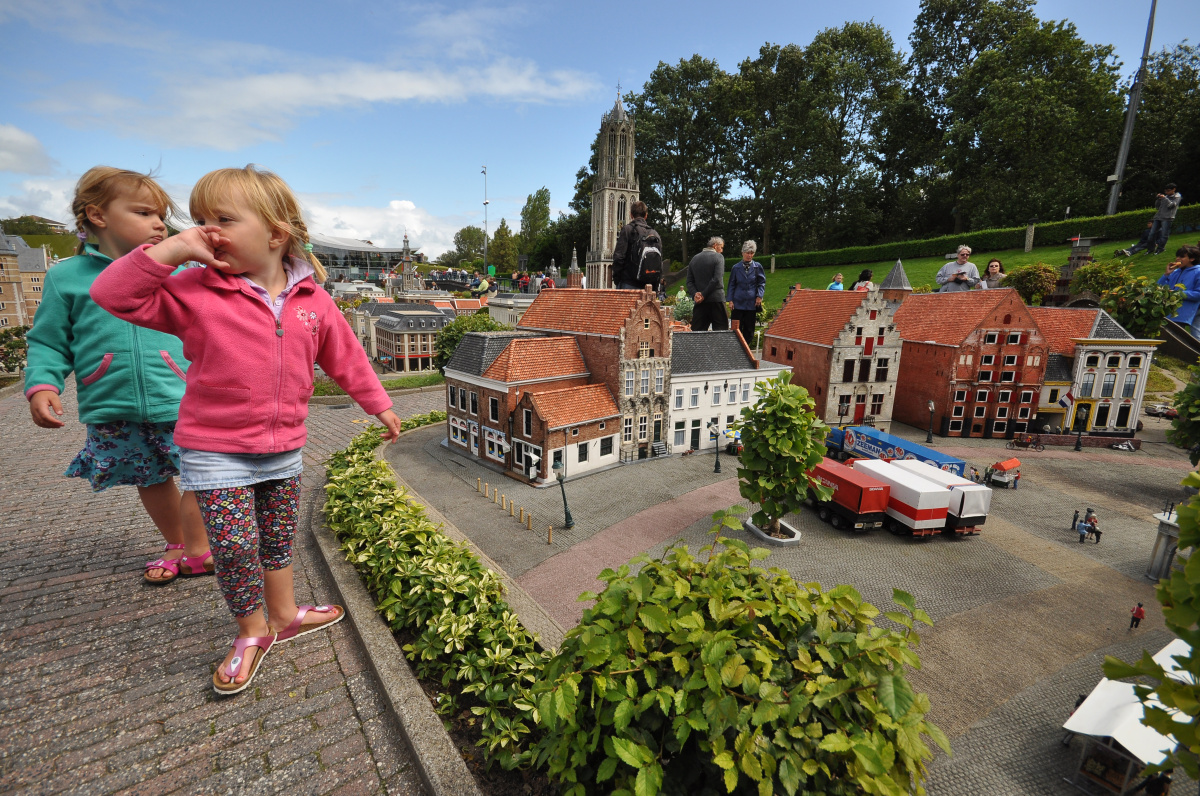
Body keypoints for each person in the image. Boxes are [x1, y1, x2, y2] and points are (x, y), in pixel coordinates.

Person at [92, 165, 403, 695]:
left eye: (222, 219)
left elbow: (346, 356)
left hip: (284, 448)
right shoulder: (194, 289)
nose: (205, 230)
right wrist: (172, 250)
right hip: (216, 448)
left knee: (278, 540)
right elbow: (113, 294)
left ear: (275, 233)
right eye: (196, 220)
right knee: (235, 548)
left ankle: (284, 615)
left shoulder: (313, 301)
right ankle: (251, 630)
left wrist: (378, 403)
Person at [25, 166, 212, 586]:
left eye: (161, 214)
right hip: (111, 400)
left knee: (205, 470)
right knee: (150, 475)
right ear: (97, 215)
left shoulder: (181, 271)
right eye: (145, 212)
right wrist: (41, 384)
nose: (159, 223)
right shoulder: (65, 276)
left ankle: (199, 545)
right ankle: (178, 543)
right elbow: (49, 340)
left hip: (183, 393)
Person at [611, 200, 663, 291]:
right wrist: (655, 286)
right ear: (646, 215)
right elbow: (659, 262)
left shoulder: (628, 230)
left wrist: (618, 280)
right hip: (649, 286)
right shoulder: (655, 234)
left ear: (631, 215)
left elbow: (618, 258)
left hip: (629, 283)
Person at [1118, 184, 1182, 256]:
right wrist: (1158, 199)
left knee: (1164, 235)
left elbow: (1171, 205)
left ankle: (1160, 249)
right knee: (1151, 234)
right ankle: (1150, 249)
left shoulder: (1177, 196)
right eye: (1165, 191)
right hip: (1158, 217)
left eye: (1168, 190)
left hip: (1167, 218)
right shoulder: (1165, 197)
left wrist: (1164, 198)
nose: (1166, 192)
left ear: (1174, 189)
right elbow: (1157, 207)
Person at [1155, 246, 1200, 340]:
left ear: (1192, 259)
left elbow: (1198, 294)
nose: (1177, 259)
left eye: (1182, 256)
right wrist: (1166, 274)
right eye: (1177, 256)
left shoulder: (1198, 271)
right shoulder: (1175, 271)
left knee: (1194, 334)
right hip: (1172, 311)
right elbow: (1159, 288)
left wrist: (1176, 293)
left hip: (1188, 310)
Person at [727, 240, 766, 348]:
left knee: (749, 330)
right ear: (742, 253)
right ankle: (736, 349)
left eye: (751, 253)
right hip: (737, 303)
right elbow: (731, 284)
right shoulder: (735, 268)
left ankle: (745, 349)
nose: (749, 255)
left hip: (751, 304)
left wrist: (759, 296)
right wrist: (730, 300)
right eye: (747, 253)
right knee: (736, 328)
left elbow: (761, 283)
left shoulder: (758, 267)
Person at [687, 237, 728, 331]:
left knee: (697, 334)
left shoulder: (694, 258)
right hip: (716, 300)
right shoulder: (719, 257)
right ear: (715, 246)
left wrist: (696, 294)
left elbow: (689, 281)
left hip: (700, 303)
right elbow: (716, 279)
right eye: (721, 247)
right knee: (720, 333)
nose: (721, 251)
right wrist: (704, 294)